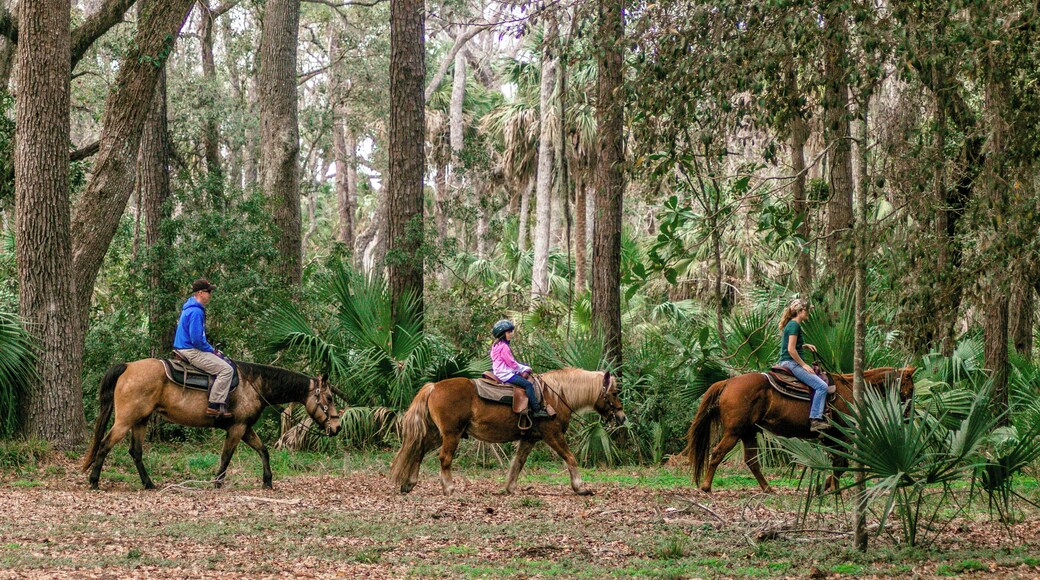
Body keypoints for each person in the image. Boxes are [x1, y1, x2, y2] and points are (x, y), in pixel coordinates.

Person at [173, 278, 234, 418]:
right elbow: (196, 340)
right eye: (209, 292)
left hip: (184, 347)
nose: (210, 295)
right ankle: (214, 405)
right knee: (226, 370)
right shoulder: (196, 312)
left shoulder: (191, 308)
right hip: (190, 350)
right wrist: (211, 350)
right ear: (200, 293)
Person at [776, 299, 831, 433]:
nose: (809, 313)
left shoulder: (791, 324)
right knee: (822, 386)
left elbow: (792, 346)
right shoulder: (795, 325)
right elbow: (790, 349)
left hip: (786, 361)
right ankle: (815, 419)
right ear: (800, 311)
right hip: (791, 363)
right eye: (807, 310)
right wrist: (804, 365)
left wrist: (805, 346)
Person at [490, 320, 548, 419]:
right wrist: (525, 368)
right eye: (508, 332)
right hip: (505, 374)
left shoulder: (496, 345)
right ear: (502, 334)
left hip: (499, 371)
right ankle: (536, 410)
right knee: (528, 385)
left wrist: (521, 367)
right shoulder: (504, 347)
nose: (511, 334)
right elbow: (512, 363)